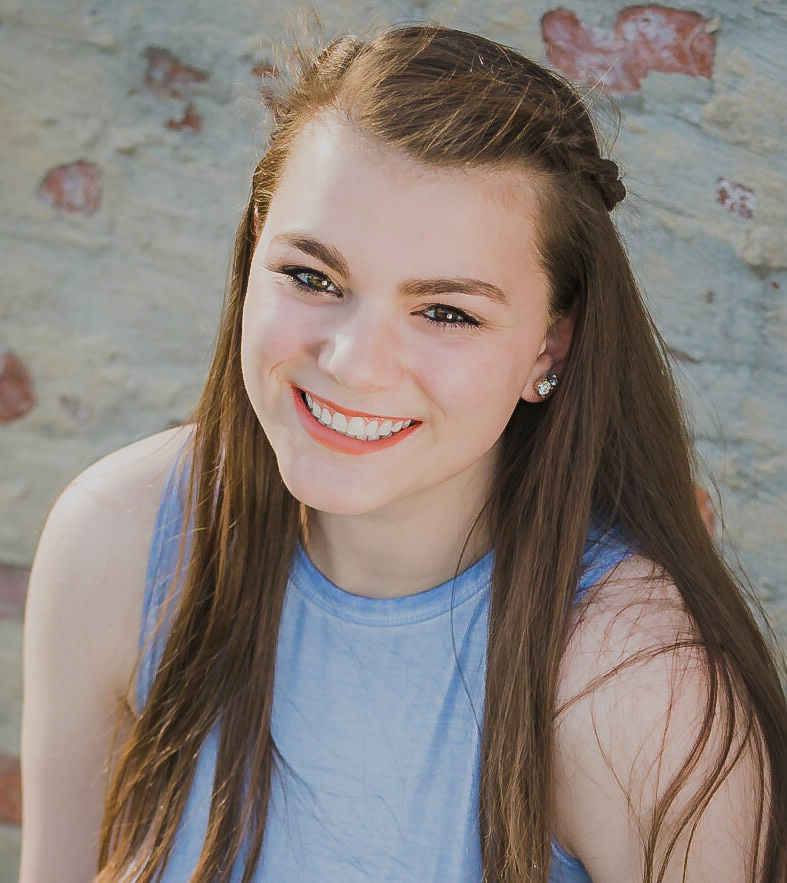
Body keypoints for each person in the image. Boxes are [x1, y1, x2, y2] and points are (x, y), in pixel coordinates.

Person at [20, 23, 786, 883]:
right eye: (312, 276)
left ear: (550, 345)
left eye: (446, 312)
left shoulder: (636, 681)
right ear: (256, 244)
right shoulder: (120, 539)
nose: (352, 364)